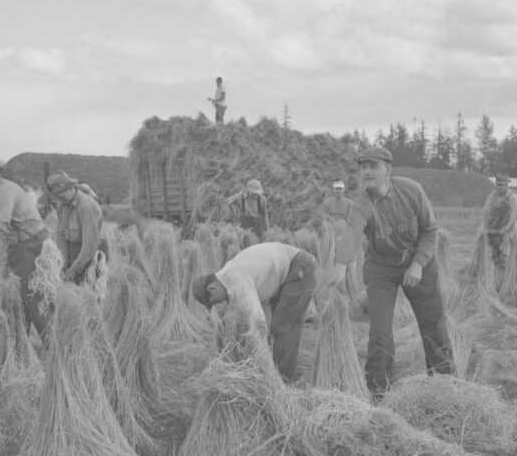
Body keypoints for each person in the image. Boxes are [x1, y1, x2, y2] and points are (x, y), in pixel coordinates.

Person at [321, 145, 453, 400]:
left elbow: (430, 230)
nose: (366, 172)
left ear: (388, 169)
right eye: (363, 167)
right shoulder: (361, 204)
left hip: (418, 262)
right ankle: (379, 396)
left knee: (433, 326)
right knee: (379, 334)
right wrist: (340, 264)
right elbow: (351, 232)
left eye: (373, 166)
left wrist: (417, 264)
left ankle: (445, 387)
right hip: (381, 267)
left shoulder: (411, 191)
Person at [191, 242, 318, 383]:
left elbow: (257, 321)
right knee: (274, 327)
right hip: (286, 272)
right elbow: (260, 312)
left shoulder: (236, 280)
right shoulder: (229, 276)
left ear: (212, 288)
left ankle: (282, 382)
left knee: (282, 328)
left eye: (215, 301)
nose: (221, 303)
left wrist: (259, 358)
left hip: (299, 268)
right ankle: (275, 371)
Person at [0, 152, 52, 340]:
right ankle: (18, 351)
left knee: (33, 300)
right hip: (19, 249)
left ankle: (55, 351)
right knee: (14, 302)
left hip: (30, 249)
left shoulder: (4, 192)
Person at [47, 170, 109, 282]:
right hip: (75, 247)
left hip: (94, 251)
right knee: (70, 281)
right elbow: (61, 235)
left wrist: (75, 269)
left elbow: (90, 245)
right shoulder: (62, 205)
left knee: (90, 286)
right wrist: (64, 263)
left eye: (60, 197)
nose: (59, 200)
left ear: (70, 189)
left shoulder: (85, 206)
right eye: (57, 197)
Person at [479, 174, 517, 282]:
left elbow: (512, 216)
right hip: (495, 230)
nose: (499, 187)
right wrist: (484, 227)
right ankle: (497, 279)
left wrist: (506, 229)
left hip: (509, 230)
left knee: (506, 256)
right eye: (497, 185)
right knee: (494, 255)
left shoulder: (513, 198)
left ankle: (509, 281)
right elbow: (485, 211)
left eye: (501, 185)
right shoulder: (492, 196)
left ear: (507, 185)